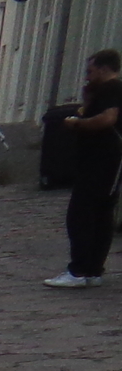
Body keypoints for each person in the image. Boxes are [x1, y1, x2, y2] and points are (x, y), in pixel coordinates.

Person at [46, 49, 121, 289]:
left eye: (90, 71)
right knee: (100, 215)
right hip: (104, 160)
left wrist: (78, 124)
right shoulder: (103, 91)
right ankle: (92, 270)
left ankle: (78, 271)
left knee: (81, 214)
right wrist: (87, 102)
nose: (87, 76)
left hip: (103, 160)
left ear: (103, 68)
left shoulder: (112, 89)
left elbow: (108, 119)